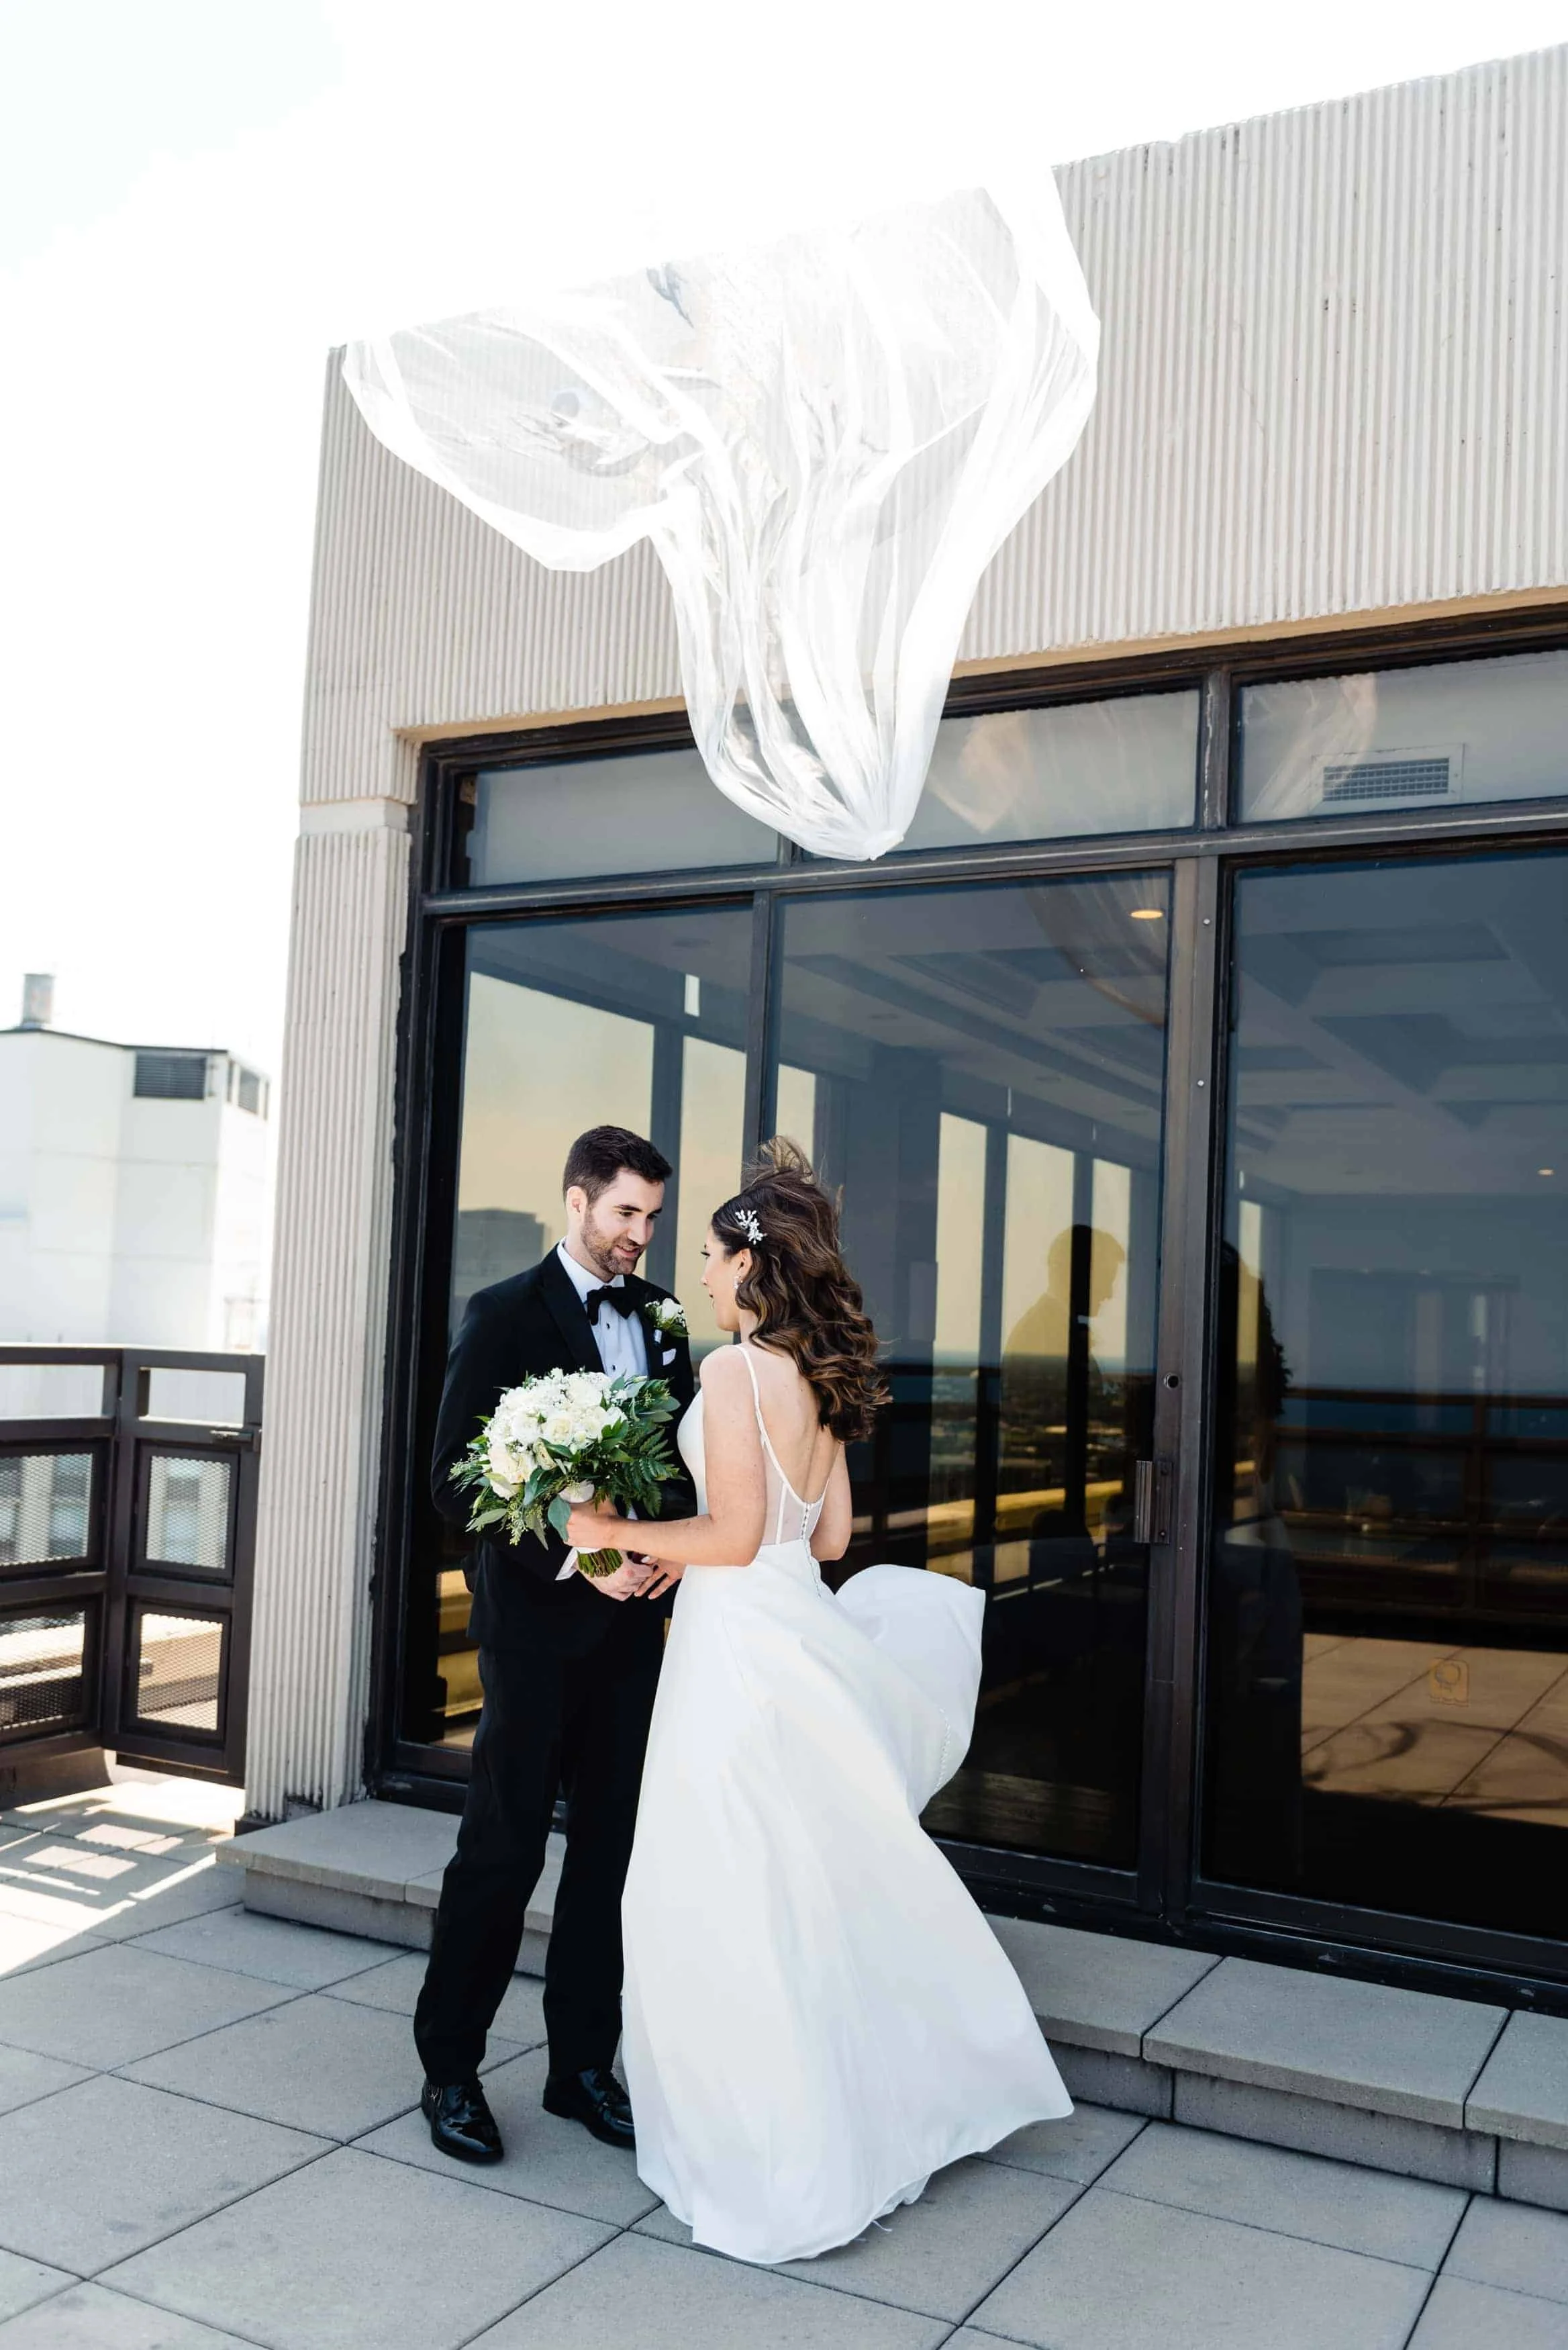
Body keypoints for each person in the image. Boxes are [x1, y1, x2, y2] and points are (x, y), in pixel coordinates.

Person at [566, 1139, 1072, 2265]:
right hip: (789, 1628)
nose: (696, 1274)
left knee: (719, 1888)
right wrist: (681, 1549)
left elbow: (733, 1536)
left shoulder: (736, 1371)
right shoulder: (818, 1374)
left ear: (750, 1262)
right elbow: (826, 1537)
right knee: (794, 1880)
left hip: (737, 1653)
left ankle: (767, 2153)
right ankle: (833, 2117)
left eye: (706, 1254)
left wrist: (613, 1533)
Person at [414, 1125, 693, 2164]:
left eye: (654, 1218)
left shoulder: (662, 1321)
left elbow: (675, 1463)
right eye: (627, 1213)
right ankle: (450, 2070)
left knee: (610, 1853)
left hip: (634, 1630)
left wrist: (668, 1549)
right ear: (577, 1202)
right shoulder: (501, 1316)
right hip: (533, 1629)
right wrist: (580, 1546)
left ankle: (582, 2067)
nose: (641, 1236)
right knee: (506, 1844)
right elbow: (451, 1480)